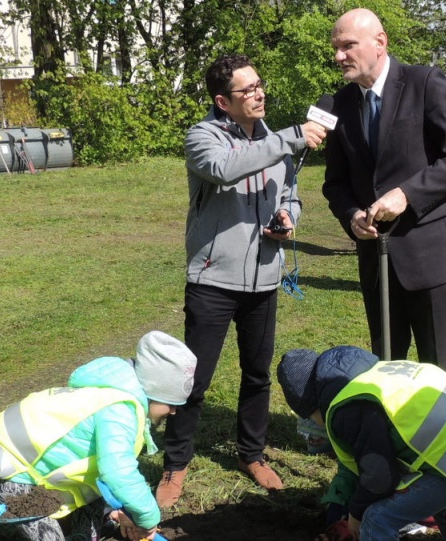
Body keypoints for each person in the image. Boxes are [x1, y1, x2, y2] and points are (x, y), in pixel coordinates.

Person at [156, 53, 327, 507]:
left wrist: (289, 215)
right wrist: (290, 139)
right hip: (213, 280)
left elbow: (291, 192)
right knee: (194, 379)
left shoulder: (274, 140)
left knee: (257, 375)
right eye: (246, 90)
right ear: (222, 101)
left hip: (264, 279)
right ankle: (175, 465)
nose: (259, 93)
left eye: (259, 85)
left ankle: (252, 454)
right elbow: (224, 168)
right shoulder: (202, 137)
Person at [322, 8, 446, 378]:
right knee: (388, 366)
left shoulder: (423, 83)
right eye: (335, 47)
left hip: (429, 255)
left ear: (380, 43)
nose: (338, 56)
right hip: (376, 259)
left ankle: (445, 437)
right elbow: (335, 183)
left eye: (347, 46)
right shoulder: (339, 104)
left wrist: (406, 194)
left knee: (437, 368)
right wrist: (351, 215)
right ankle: (392, 436)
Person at [277, 346, 446, 541]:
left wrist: (356, 515)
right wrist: (338, 502)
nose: (317, 425)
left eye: (310, 417)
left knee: (377, 520)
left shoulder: (346, 409)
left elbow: (380, 478)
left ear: (311, 404)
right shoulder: (371, 376)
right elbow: (357, 462)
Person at [0, 330, 197, 541]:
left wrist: (122, 511)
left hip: (29, 467)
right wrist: (148, 520)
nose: (173, 411)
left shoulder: (115, 397)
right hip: (9, 471)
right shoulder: (119, 410)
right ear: (155, 391)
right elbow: (118, 472)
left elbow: (104, 471)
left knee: (92, 512)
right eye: (171, 404)